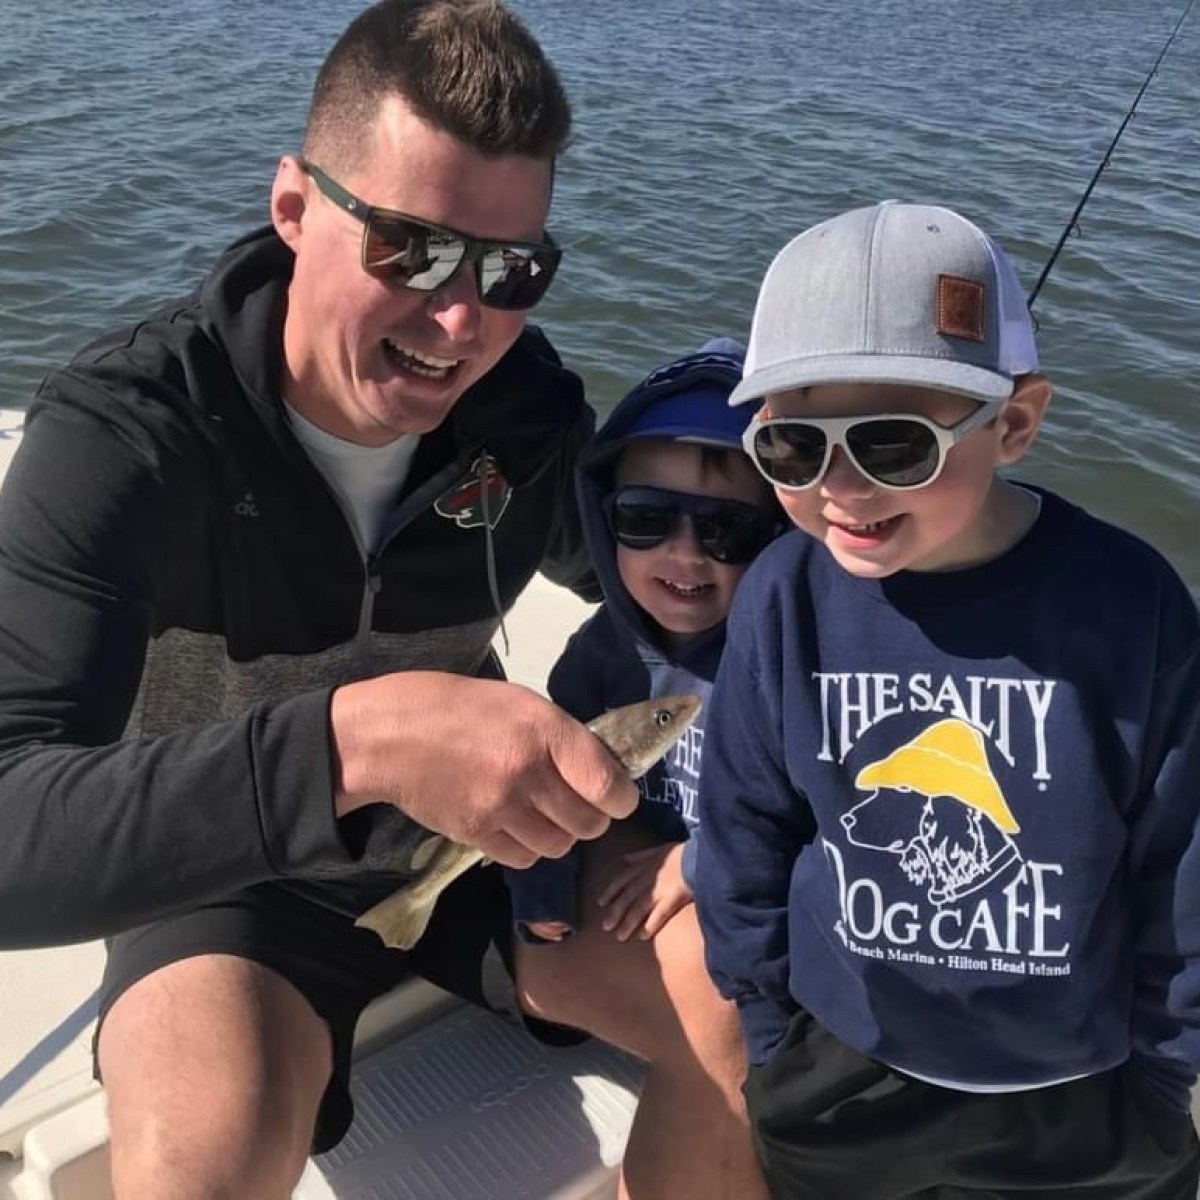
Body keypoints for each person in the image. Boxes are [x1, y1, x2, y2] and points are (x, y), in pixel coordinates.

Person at [0, 3, 644, 1197]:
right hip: (221, 880)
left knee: (764, 1013)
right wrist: (359, 742)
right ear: (294, 208)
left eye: (514, 270)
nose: (463, 322)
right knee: (201, 1170)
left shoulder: (526, 412)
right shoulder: (128, 438)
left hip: (490, 845)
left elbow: (655, 585)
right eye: (413, 249)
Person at [694, 199, 1200, 1198]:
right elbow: (743, 827)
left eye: (891, 446)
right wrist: (768, 1034)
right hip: (842, 1072)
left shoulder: (1132, 601)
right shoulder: (784, 596)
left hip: (1080, 1093)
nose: (840, 487)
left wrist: (1168, 1071)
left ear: (1014, 421)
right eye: (794, 447)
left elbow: (1181, 858)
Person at [510, 338, 781, 1199]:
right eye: (644, 519)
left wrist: (701, 862)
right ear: (601, 517)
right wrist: (543, 900)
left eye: (728, 529)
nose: (685, 553)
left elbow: (827, 819)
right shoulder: (600, 656)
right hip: (614, 909)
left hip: (718, 900)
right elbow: (548, 790)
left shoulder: (795, 669)